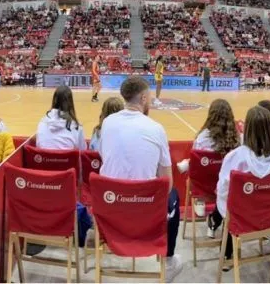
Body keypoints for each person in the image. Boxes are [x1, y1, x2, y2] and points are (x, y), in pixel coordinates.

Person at [98, 76, 182, 280]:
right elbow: (167, 183)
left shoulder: (107, 123)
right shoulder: (156, 128)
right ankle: (168, 259)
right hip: (144, 210)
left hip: (111, 207)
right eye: (150, 97)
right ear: (143, 98)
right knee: (174, 195)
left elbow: (105, 159)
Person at [211, 106, 270, 266]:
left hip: (241, 217)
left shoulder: (235, 157)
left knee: (229, 204)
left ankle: (227, 254)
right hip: (269, 215)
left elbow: (223, 191)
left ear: (247, 129)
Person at [36, 86, 86, 151]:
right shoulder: (76, 127)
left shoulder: (42, 122)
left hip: (45, 160)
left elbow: (38, 145)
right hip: (67, 160)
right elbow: (82, 150)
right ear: (70, 103)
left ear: (54, 100)